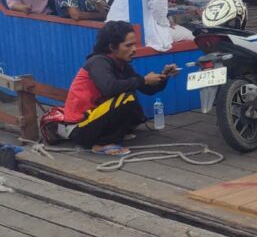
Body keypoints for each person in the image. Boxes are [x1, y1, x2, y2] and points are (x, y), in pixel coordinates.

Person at [63, 21, 177, 156]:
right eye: (128, 45)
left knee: (131, 94)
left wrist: (164, 75)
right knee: (127, 98)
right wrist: (144, 80)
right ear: (112, 47)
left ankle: (112, 135)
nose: (134, 49)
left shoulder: (122, 65)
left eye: (134, 44)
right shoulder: (98, 62)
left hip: (92, 122)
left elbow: (147, 89)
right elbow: (109, 88)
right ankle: (103, 143)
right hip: (79, 128)